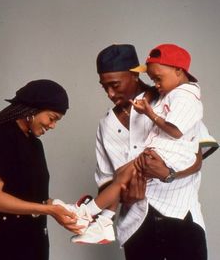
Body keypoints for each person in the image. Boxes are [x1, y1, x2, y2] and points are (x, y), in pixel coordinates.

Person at [79, 44, 217, 259]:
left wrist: (170, 174)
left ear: (135, 75)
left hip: (181, 217)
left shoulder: (171, 100)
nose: (110, 93)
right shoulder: (106, 125)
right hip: (136, 228)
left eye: (115, 84)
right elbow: (106, 181)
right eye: (104, 87)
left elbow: (196, 158)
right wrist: (126, 198)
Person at [0, 79, 82, 260]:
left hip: (34, 242)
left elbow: (32, 195)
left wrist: (60, 208)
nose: (53, 126)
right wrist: (48, 210)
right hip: (5, 244)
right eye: (52, 118)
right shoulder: (3, 136)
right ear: (32, 110)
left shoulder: (35, 144)